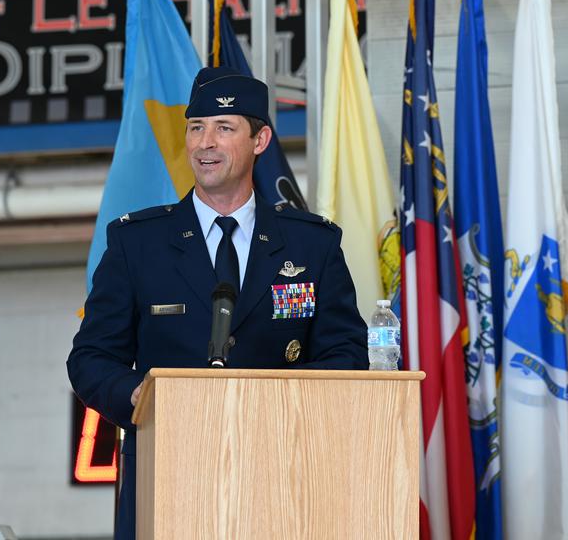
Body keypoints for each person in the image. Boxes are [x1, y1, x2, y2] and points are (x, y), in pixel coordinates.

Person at [67, 66, 368, 539]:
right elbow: (90, 358)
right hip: (167, 475)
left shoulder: (312, 246)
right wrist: (137, 395)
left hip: (284, 478)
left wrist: (288, 406)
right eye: (196, 127)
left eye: (224, 128)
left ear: (261, 139)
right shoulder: (137, 243)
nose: (205, 142)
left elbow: (347, 354)